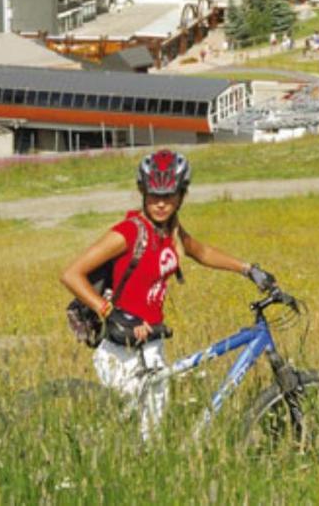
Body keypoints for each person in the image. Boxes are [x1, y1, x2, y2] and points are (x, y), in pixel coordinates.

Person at [61, 149, 275, 439]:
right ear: (142, 192)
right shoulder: (129, 232)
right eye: (153, 195)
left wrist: (248, 269)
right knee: (127, 436)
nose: (161, 204)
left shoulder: (170, 231)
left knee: (151, 436)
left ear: (181, 195)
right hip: (121, 347)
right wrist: (108, 311)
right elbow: (71, 274)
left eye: (169, 196)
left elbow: (201, 252)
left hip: (152, 343)